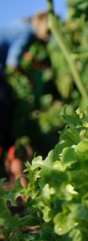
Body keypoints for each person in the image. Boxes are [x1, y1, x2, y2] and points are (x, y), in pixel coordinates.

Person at [0, 11, 50, 185]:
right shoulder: (27, 33)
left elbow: (16, 50)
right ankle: (8, 152)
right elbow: (12, 64)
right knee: (6, 111)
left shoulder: (20, 26)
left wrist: (31, 59)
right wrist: (29, 78)